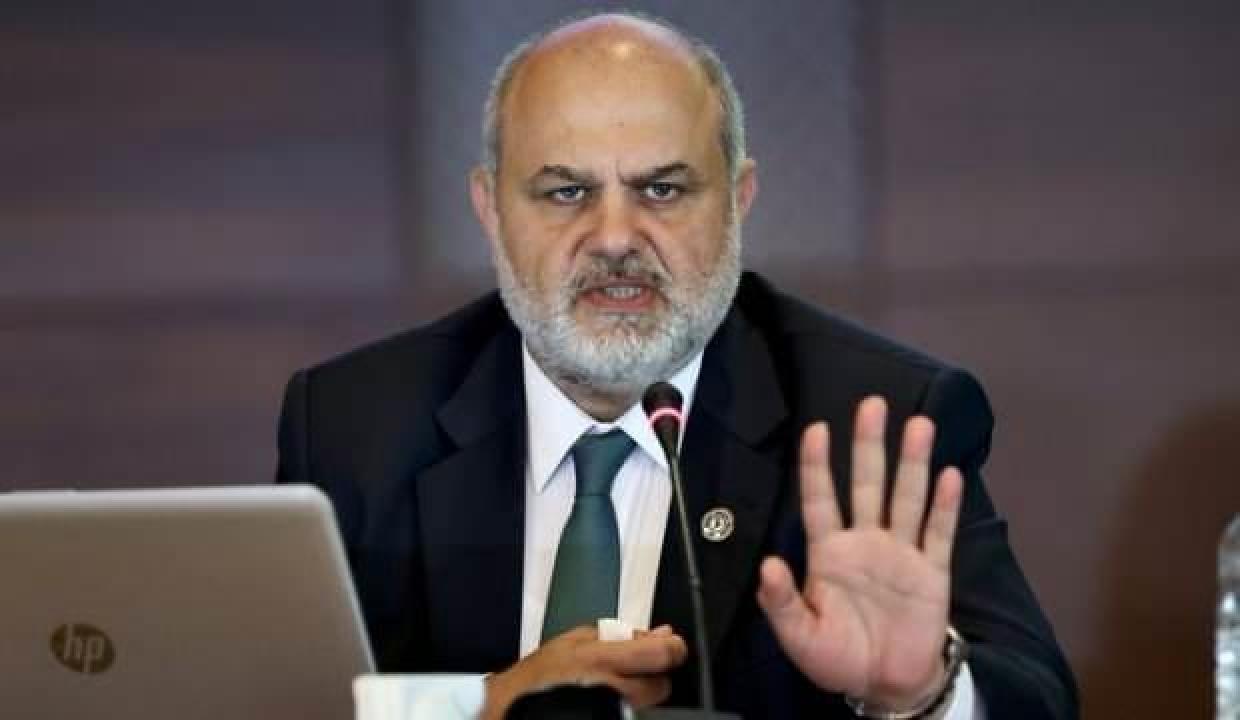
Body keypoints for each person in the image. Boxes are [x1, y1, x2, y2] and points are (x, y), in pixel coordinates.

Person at [276, 12, 1077, 719]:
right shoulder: (358, 428)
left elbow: (1036, 698)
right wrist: (480, 711)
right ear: (489, 209)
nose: (615, 238)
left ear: (738, 200)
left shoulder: (871, 420)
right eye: (565, 193)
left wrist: (923, 693)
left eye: (661, 189)